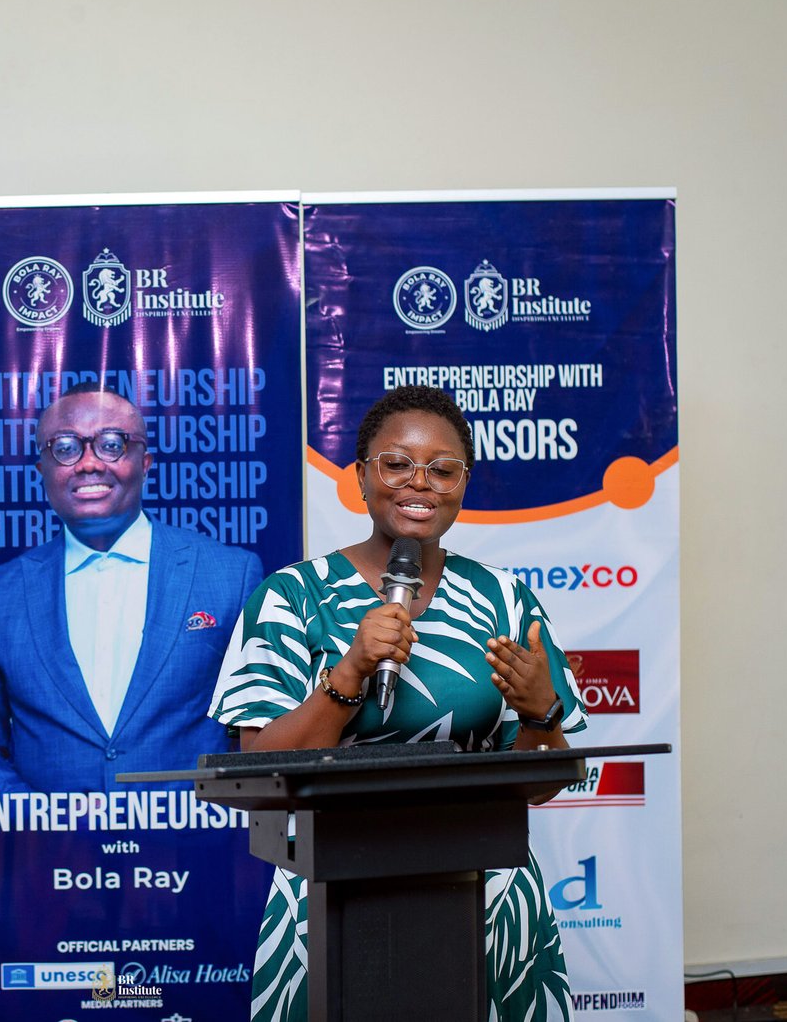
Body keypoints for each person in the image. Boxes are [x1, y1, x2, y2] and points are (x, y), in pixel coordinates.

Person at [208, 385, 587, 1022]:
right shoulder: (293, 596)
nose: (420, 483)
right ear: (361, 476)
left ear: (463, 484)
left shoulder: (504, 599)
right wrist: (350, 672)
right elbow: (259, 773)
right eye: (397, 464)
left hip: (485, 892)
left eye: (443, 469)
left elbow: (539, 787)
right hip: (331, 888)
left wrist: (539, 713)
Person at [0, 381, 264, 794]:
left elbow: (262, 729)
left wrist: (201, 812)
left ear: (145, 462)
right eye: (65, 448)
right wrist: (45, 817)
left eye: (112, 444)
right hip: (49, 836)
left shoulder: (232, 575)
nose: (89, 464)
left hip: (194, 831)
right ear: (42, 472)